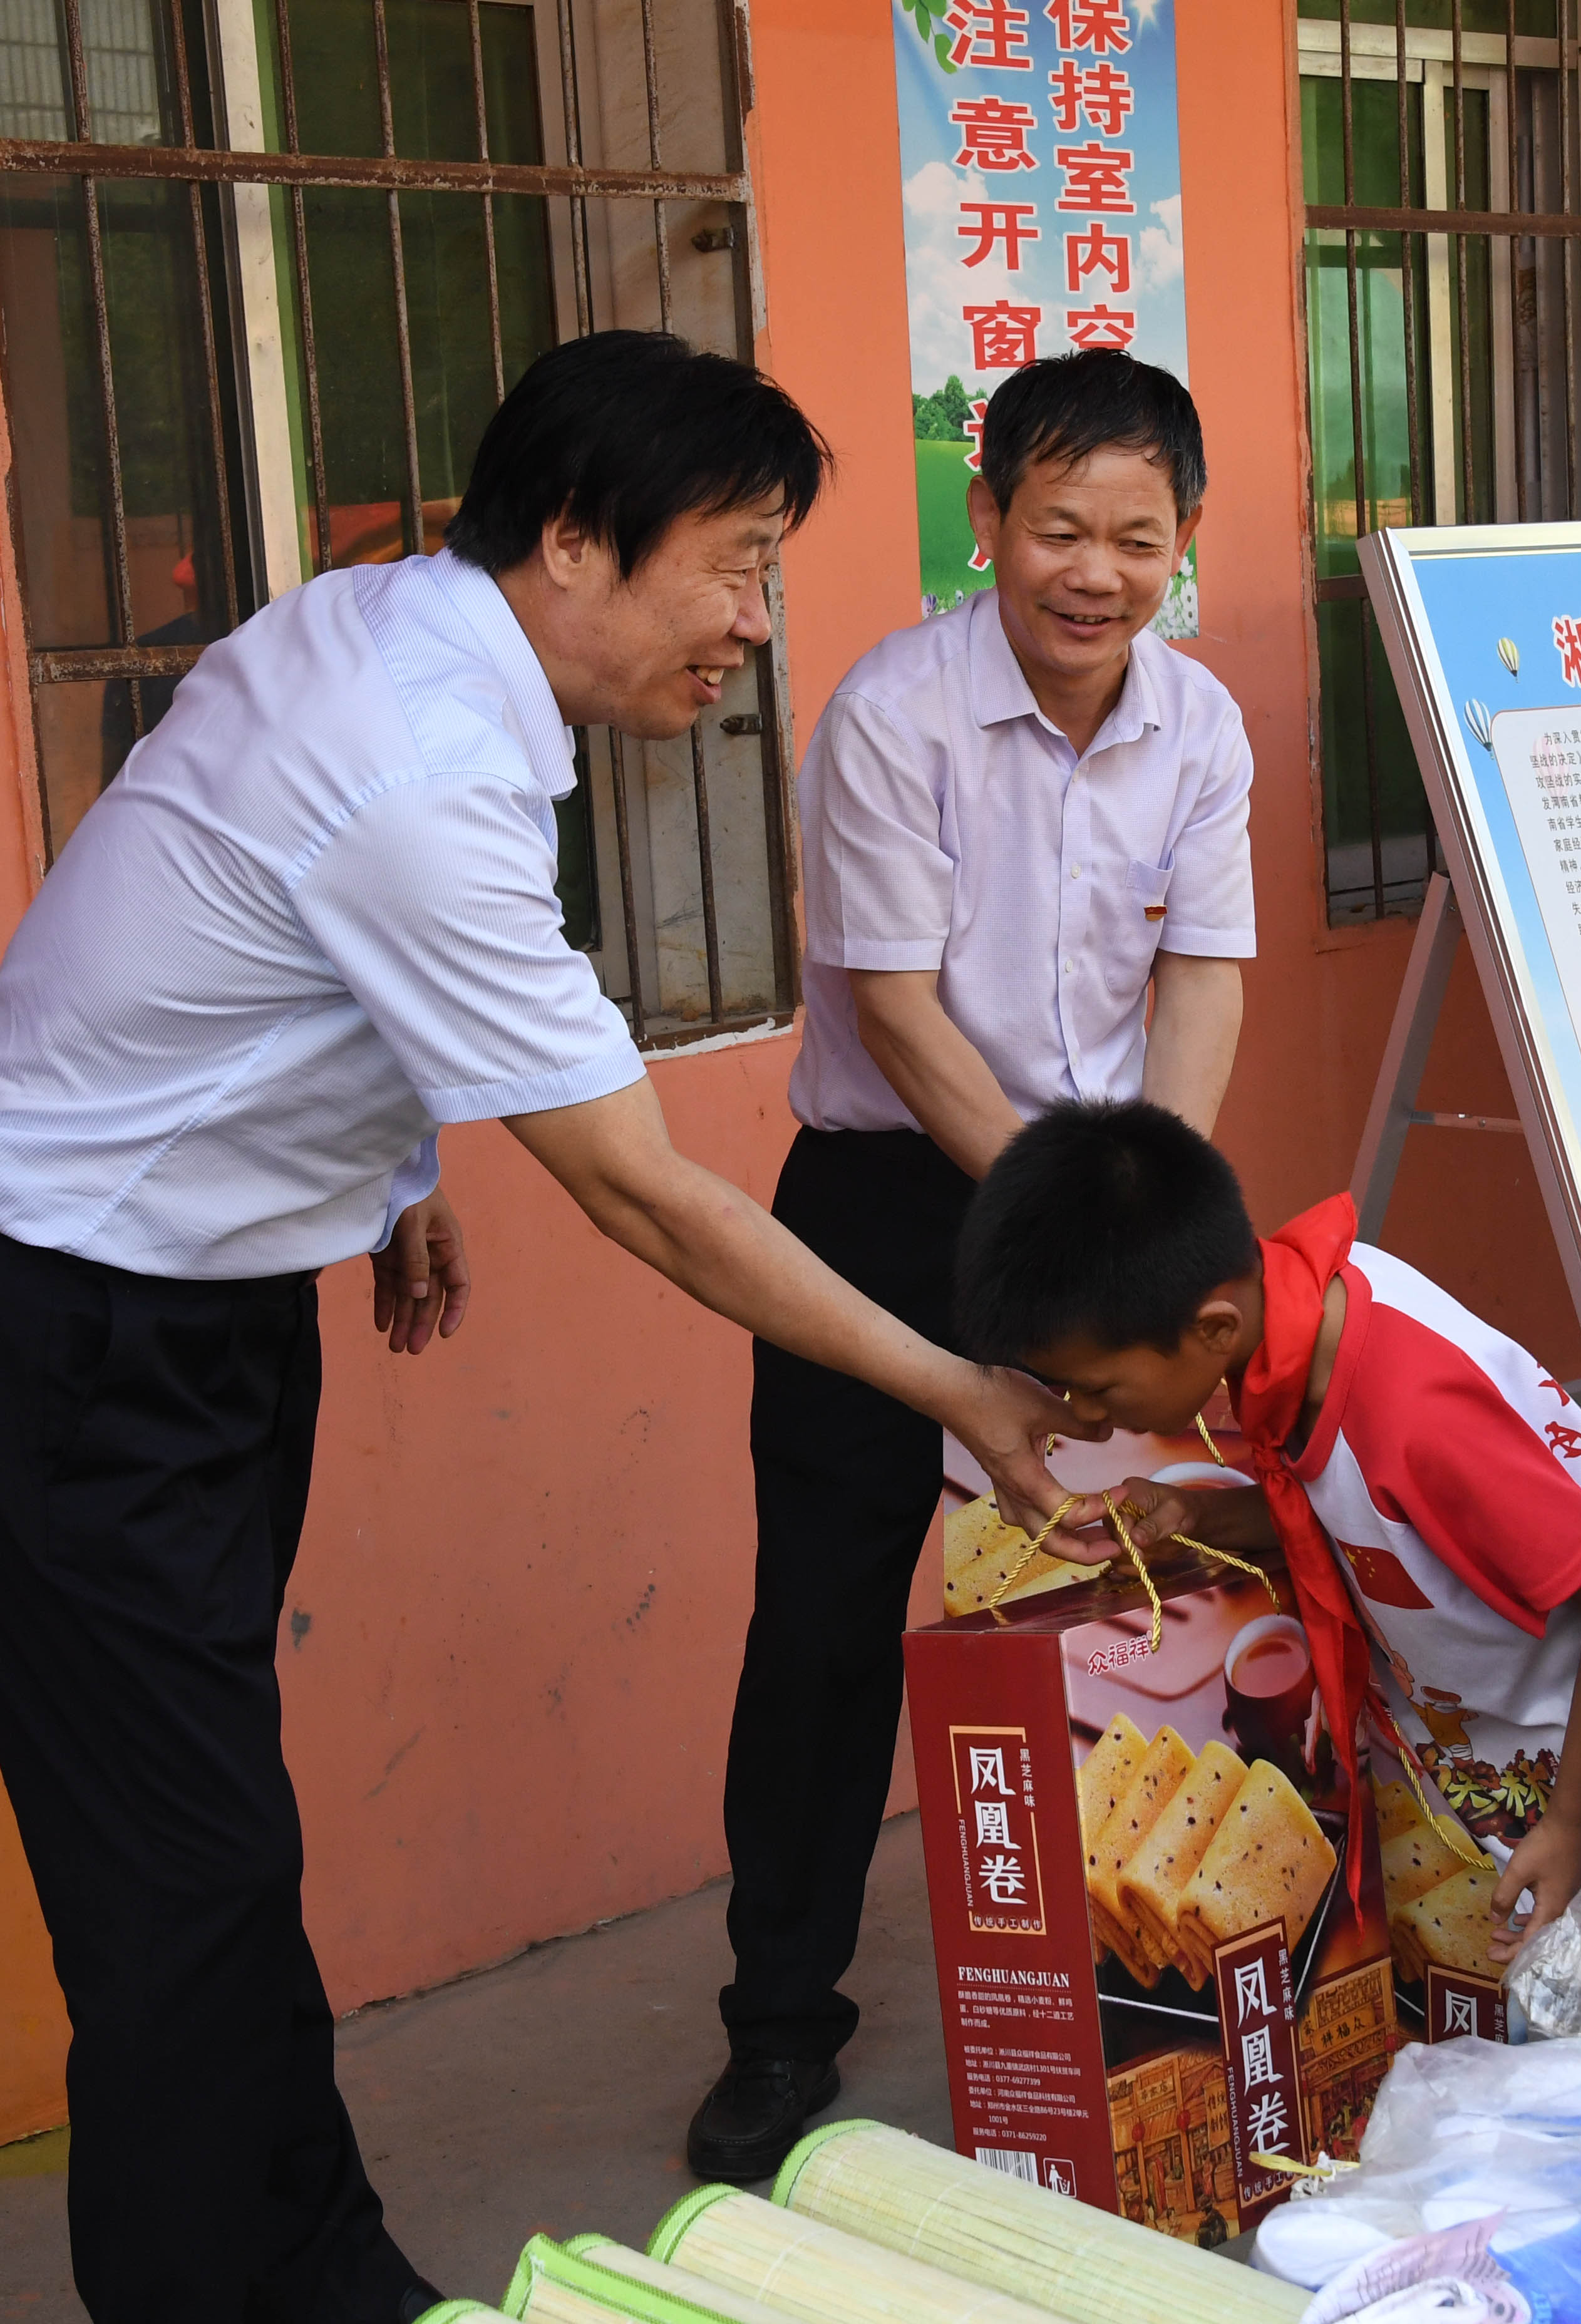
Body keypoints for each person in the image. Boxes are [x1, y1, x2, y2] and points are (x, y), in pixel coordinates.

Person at [0, 332, 1075, 2324]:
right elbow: (642, 1190)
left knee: (212, 1869)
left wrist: (387, 1159)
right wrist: (959, 1385)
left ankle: (318, 2270)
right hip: (71, 1341)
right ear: (577, 541)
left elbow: (251, 920)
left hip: (184, 1316)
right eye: (735, 565)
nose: (753, 624)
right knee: (179, 1899)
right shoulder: (418, 758)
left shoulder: (396, 639)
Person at [689, 350, 1253, 2179]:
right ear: (987, 515)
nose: (1095, 575)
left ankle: (1166, 1977)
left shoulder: (1199, 724)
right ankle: (778, 2024)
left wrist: (1151, 1215)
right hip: (891, 1196)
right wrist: (1066, 1211)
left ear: (1184, 538)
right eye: (1059, 529)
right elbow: (896, 1008)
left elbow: (1202, 976)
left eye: (1137, 539)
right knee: (825, 1620)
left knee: (1153, 1582)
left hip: (1097, 1202)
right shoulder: (892, 713)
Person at [952, 1101, 1581, 1968]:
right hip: (1570, 1762)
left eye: (1097, 1389)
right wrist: (1196, 1516)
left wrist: (1569, 1827)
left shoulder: (1409, 1413)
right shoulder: (1298, 1321)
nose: (1086, 1417)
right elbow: (1354, 1512)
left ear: (1212, 1329)